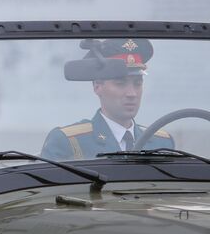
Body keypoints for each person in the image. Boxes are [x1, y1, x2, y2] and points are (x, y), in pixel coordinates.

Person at [43, 38, 172, 159]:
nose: (132, 93)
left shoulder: (162, 143)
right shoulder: (69, 142)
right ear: (97, 86)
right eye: (120, 83)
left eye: (137, 83)